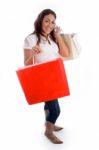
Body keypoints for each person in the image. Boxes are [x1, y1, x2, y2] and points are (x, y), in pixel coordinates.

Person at [23, 9, 70, 144]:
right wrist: (32, 52)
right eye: (47, 21)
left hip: (54, 76)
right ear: (40, 21)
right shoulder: (30, 39)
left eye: (53, 22)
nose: (50, 24)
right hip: (42, 79)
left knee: (49, 104)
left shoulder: (52, 37)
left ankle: (49, 123)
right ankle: (48, 131)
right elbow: (26, 64)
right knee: (55, 109)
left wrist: (58, 36)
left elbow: (65, 54)